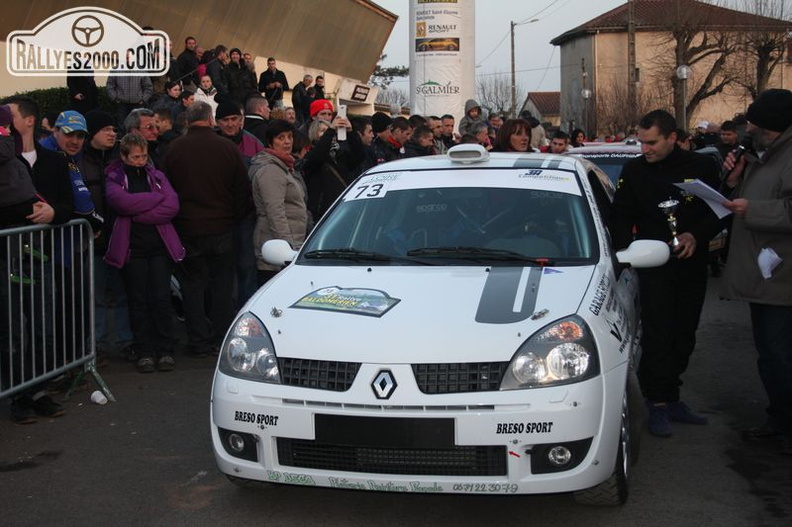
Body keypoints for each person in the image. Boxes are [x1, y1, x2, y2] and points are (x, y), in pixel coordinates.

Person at [609, 109, 721, 438]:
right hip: (652, 266)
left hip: (691, 264)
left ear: (673, 138)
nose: (645, 149)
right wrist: (626, 255)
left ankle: (672, 397)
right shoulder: (634, 171)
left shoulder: (700, 167)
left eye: (652, 142)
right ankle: (655, 402)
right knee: (658, 334)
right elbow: (619, 217)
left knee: (684, 333)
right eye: (641, 142)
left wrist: (694, 236)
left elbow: (718, 212)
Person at [720, 89, 792, 455]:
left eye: (754, 123)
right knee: (769, 353)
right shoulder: (759, 155)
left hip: (783, 277)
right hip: (763, 276)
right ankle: (778, 419)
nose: (747, 127)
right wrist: (733, 180)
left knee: (781, 354)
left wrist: (754, 209)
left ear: (772, 127)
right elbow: (743, 196)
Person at [163, 102, 250, 357]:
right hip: (222, 227)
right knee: (222, 288)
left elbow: (165, 189)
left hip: (187, 229)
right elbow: (242, 191)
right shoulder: (227, 148)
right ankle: (221, 338)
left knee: (192, 288)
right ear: (211, 118)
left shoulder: (174, 150)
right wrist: (234, 218)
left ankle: (198, 340)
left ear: (187, 121)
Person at [104, 133, 184, 373]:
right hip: (133, 249)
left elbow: (172, 205)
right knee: (138, 300)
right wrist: (154, 200)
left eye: (144, 156)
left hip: (159, 247)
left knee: (160, 298)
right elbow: (121, 203)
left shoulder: (157, 176)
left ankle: (165, 349)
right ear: (124, 156)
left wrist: (139, 213)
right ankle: (145, 350)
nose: (141, 161)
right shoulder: (115, 177)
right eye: (136, 157)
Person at [249, 120, 308, 285]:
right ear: (270, 142)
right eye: (281, 138)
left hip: (290, 244)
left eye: (289, 137)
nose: (287, 141)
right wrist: (287, 249)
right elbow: (275, 211)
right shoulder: (271, 169)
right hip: (276, 250)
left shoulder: (284, 165)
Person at [216, 101, 264, 306]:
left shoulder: (253, 143)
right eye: (225, 120)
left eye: (234, 119)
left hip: (246, 215)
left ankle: (247, 309)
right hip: (219, 217)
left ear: (241, 119)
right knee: (222, 270)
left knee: (246, 266)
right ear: (217, 122)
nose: (230, 124)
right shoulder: (212, 143)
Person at [303, 113, 364, 219]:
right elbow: (319, 154)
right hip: (323, 211)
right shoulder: (311, 156)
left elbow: (360, 155)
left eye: (330, 131)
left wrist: (350, 132)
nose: (329, 134)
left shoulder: (340, 155)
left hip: (342, 206)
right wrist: (330, 130)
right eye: (323, 131)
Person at [105, 62, 153, 131]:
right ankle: (122, 140)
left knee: (138, 125)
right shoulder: (116, 70)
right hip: (122, 104)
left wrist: (143, 99)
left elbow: (148, 87)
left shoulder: (141, 70)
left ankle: (137, 140)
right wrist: (115, 98)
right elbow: (110, 85)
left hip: (138, 104)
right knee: (122, 126)